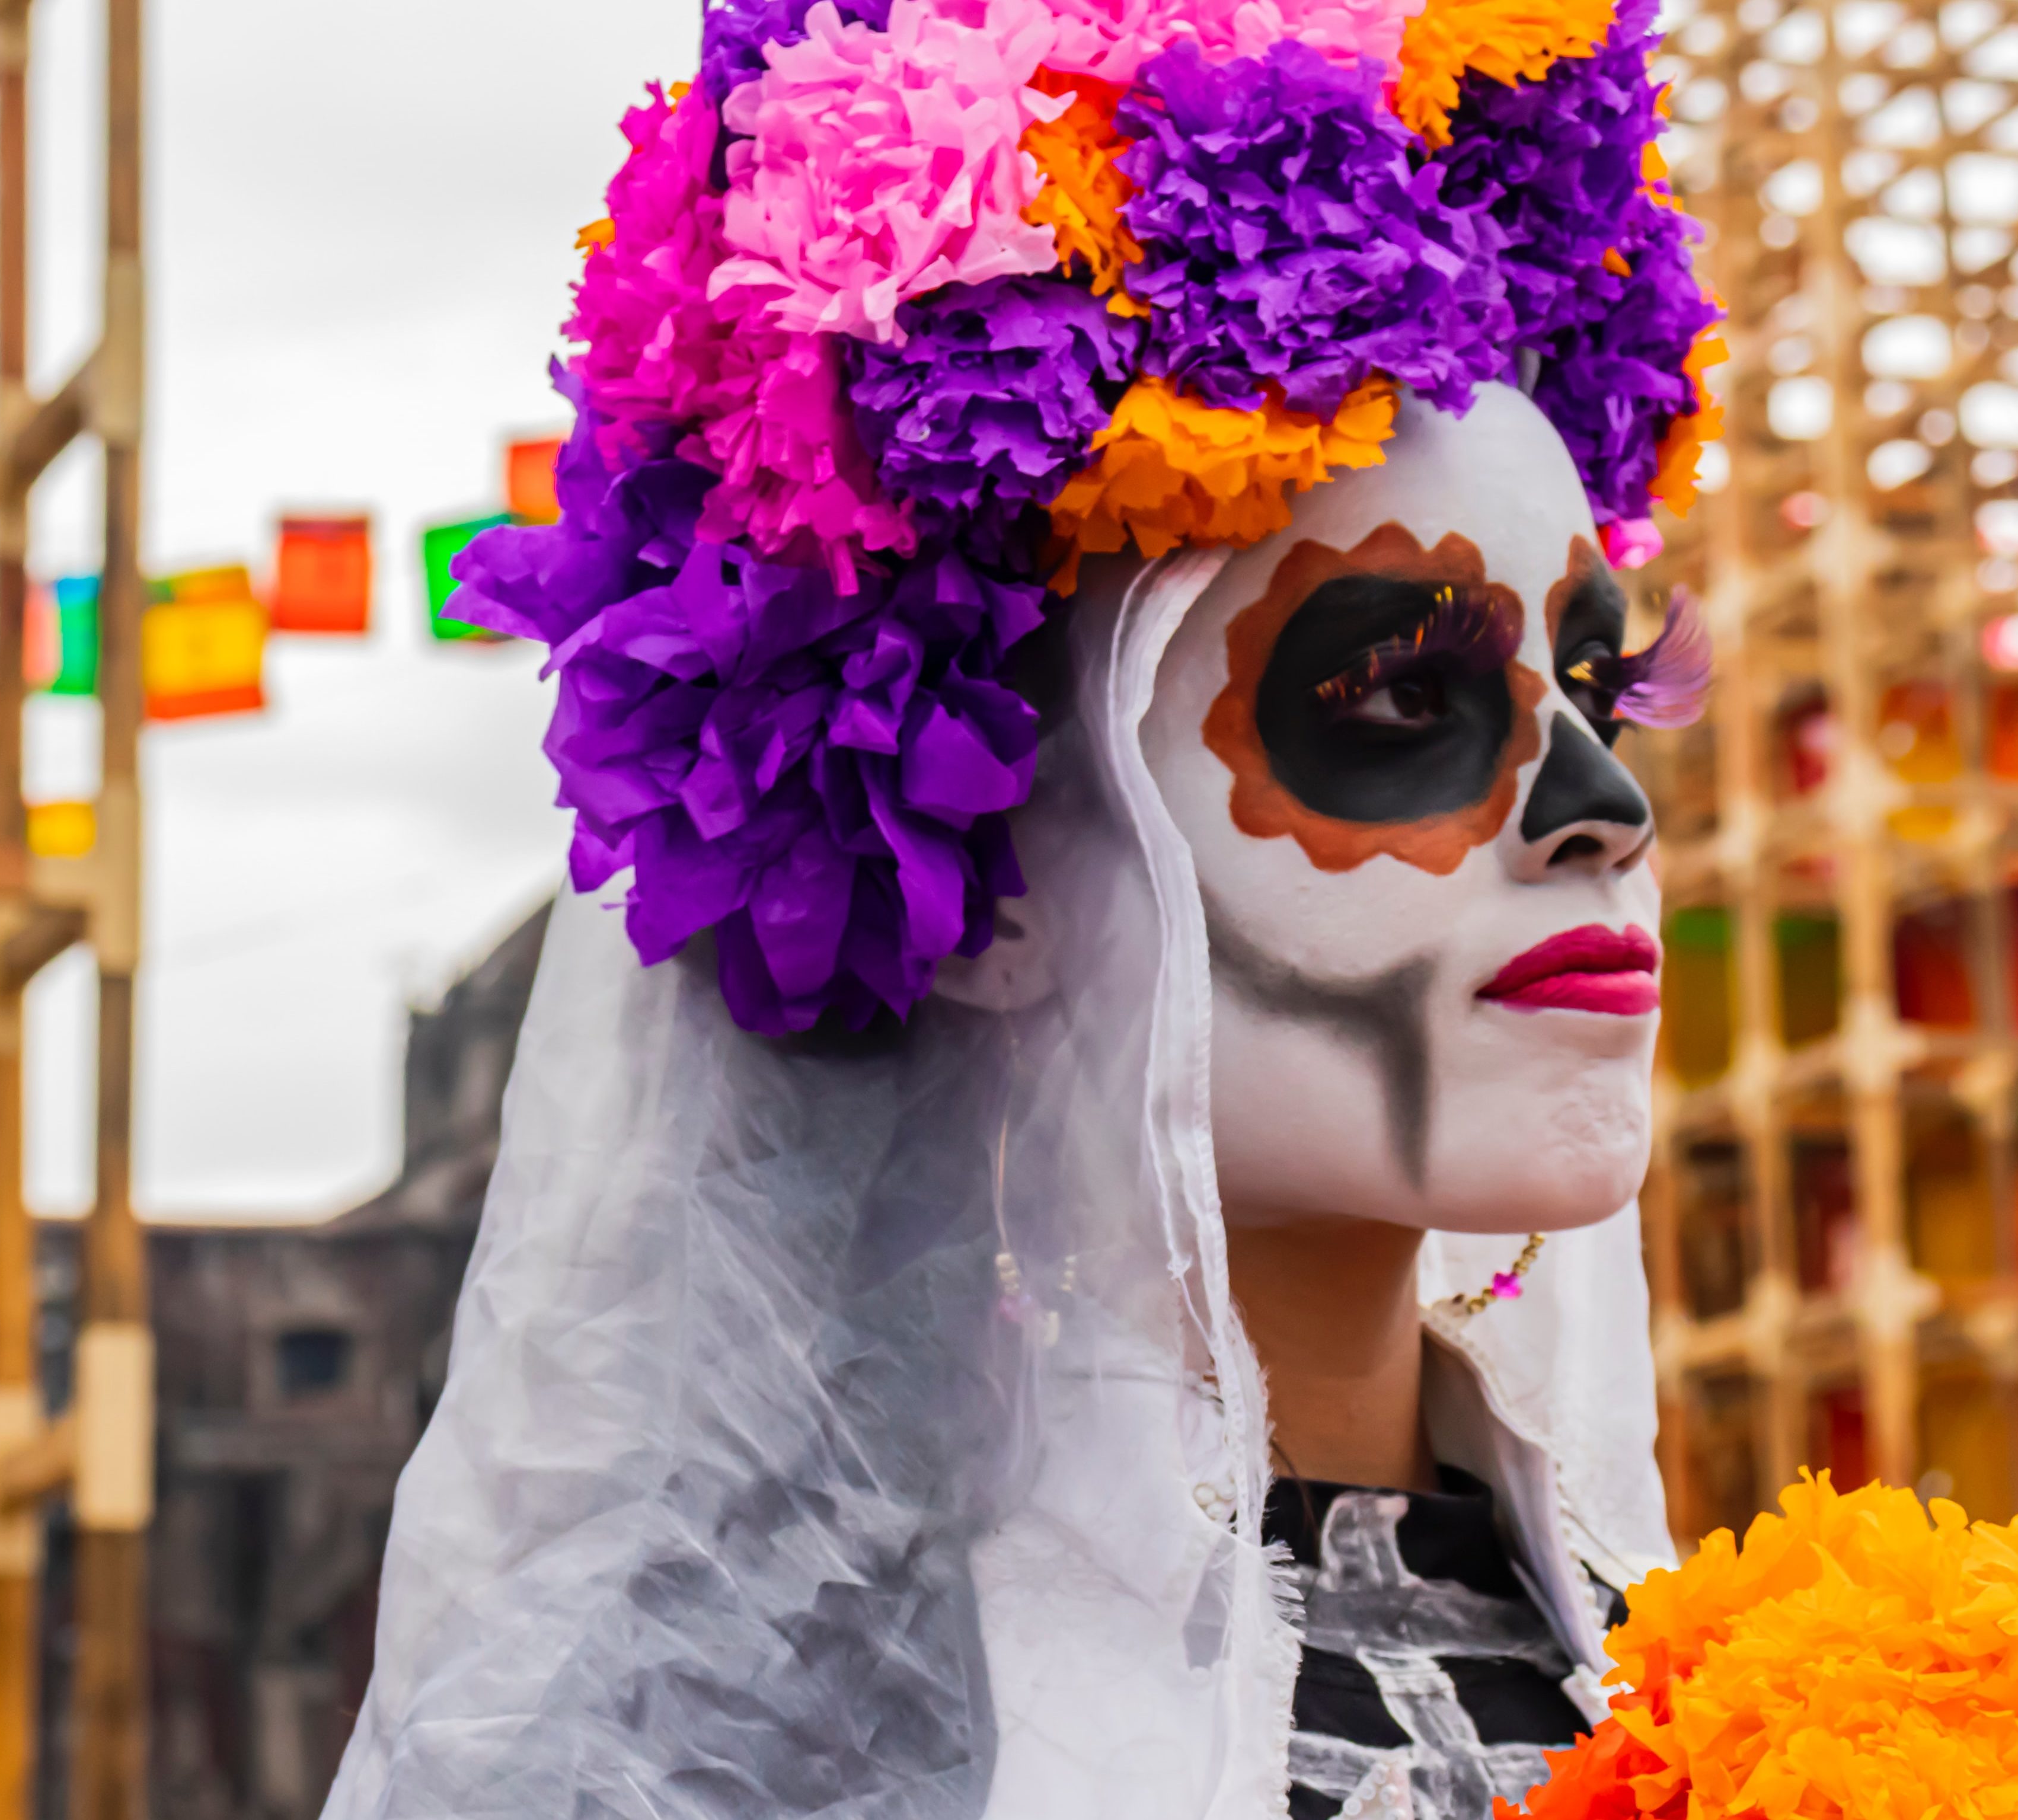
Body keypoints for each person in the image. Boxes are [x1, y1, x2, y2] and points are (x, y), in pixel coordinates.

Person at [326, 2, 1723, 1815]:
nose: (1602, 813)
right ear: (988, 878)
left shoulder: (1774, 1700)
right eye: (1395, 695)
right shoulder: (757, 1740)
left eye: (1596, 692)